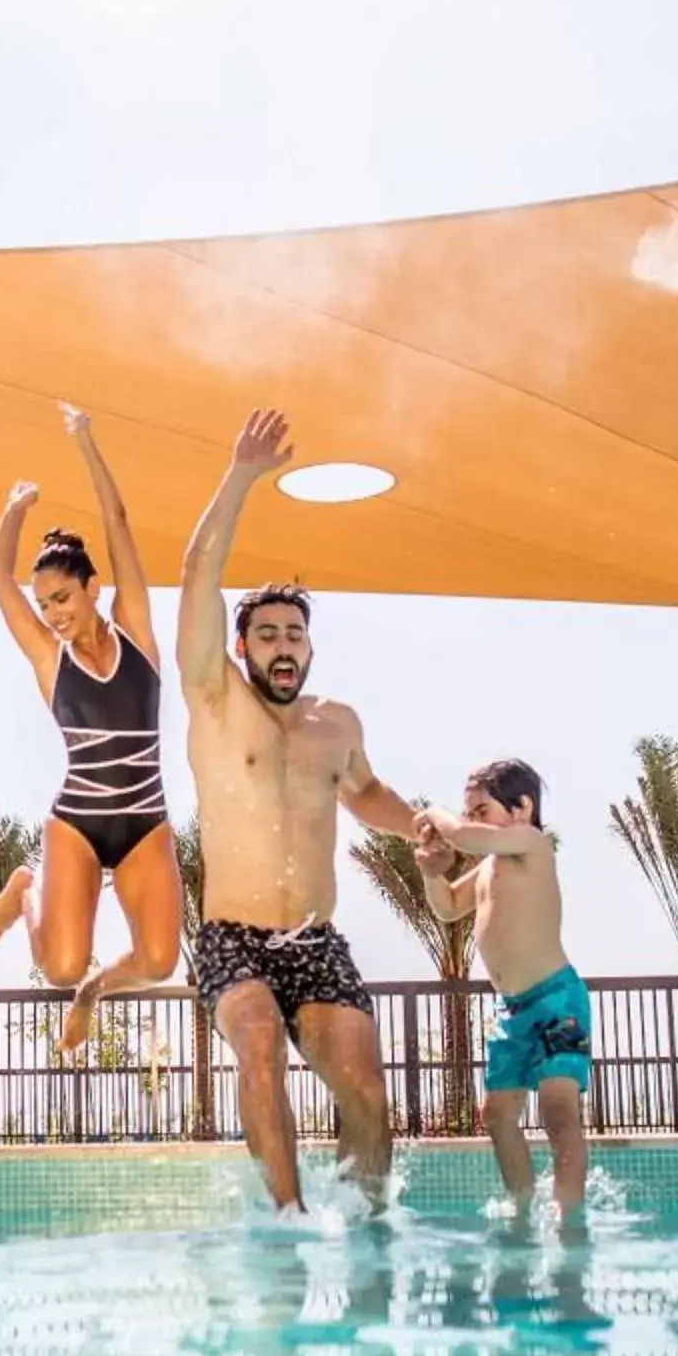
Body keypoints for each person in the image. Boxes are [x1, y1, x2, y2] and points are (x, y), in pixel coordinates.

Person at [176, 407, 425, 1211]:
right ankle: (287, 1223)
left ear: (309, 646)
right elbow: (197, 578)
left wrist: (416, 823)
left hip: (314, 940)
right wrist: (241, 475)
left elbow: (367, 794)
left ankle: (369, 1230)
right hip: (233, 937)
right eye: (268, 634)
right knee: (258, 1049)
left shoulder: (335, 724)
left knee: (367, 1091)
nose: (283, 646)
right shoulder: (215, 702)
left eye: (294, 634)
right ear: (241, 646)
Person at [0, 404, 182, 1053]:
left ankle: (95, 992)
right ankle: (27, 885)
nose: (54, 614)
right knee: (59, 965)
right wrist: (15, 507)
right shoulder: (49, 658)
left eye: (62, 598)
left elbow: (118, 522)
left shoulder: (138, 633)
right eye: (45, 605)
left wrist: (86, 441)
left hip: (144, 819)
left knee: (158, 962)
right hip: (77, 822)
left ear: (92, 588)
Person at [416, 759, 590, 1226]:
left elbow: (468, 838)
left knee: (557, 1111)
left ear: (522, 807)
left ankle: (569, 1217)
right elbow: (448, 907)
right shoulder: (491, 866)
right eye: (466, 810)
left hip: (556, 1001)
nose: (470, 819)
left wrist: (439, 816)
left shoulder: (530, 843)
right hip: (511, 1011)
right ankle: (522, 1207)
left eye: (480, 809)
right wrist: (432, 871)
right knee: (496, 1116)